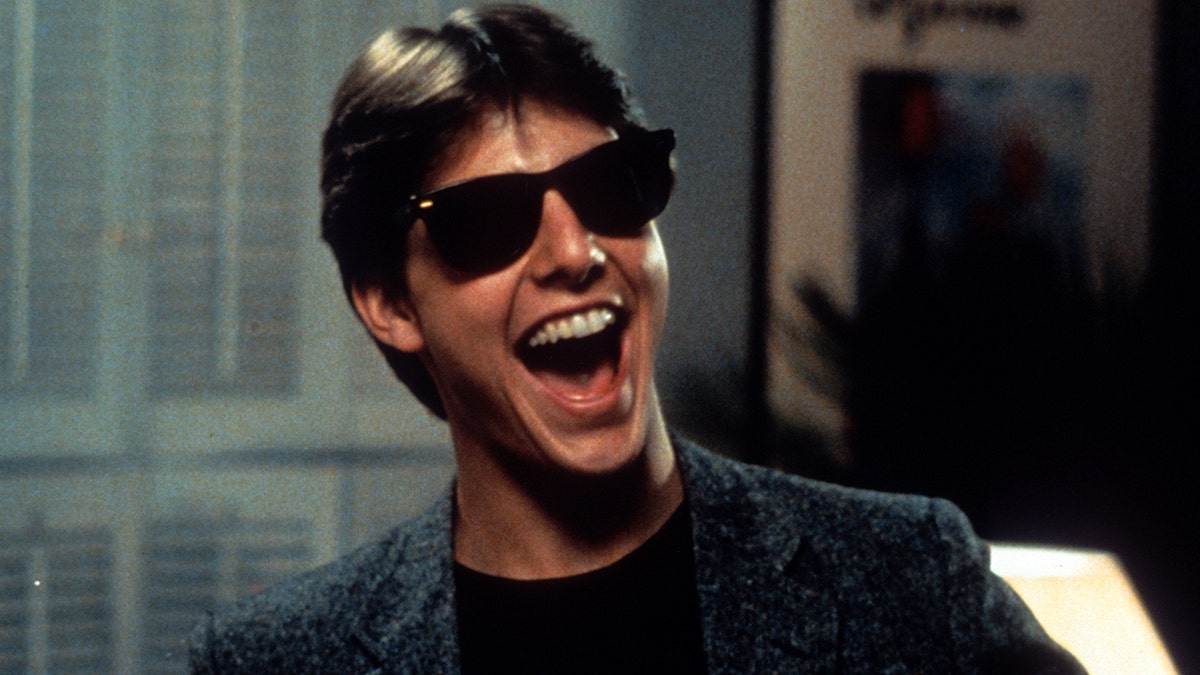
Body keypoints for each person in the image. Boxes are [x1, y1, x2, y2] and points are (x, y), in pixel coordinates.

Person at [188, 5, 1084, 673]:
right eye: (491, 219)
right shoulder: (274, 659)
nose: (575, 252)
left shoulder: (910, 576)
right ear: (388, 301)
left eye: (611, 185)